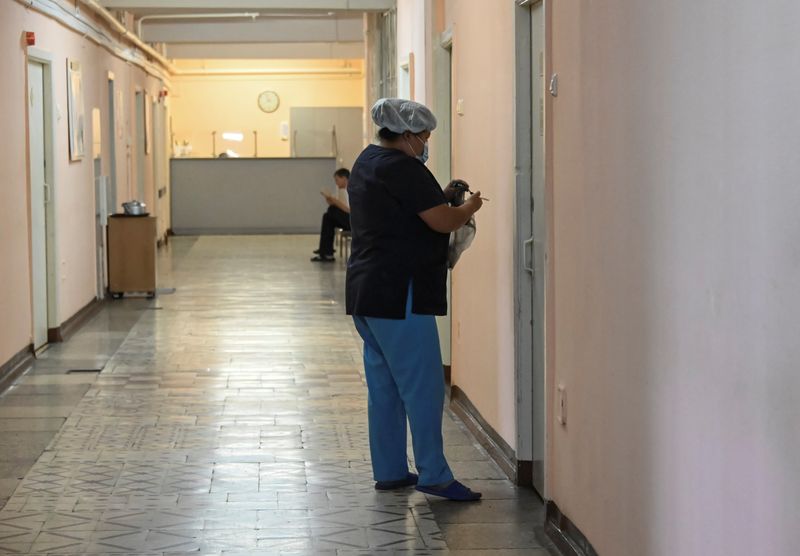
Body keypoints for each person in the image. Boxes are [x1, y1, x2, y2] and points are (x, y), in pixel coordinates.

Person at [346, 98, 484, 501]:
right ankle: (435, 475)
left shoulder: (367, 160)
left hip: (368, 292)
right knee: (423, 387)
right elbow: (441, 220)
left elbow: (402, 211)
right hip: (399, 294)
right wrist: (469, 206)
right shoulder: (404, 167)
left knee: (385, 385)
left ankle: (389, 470)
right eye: (423, 135)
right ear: (406, 135)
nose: (426, 142)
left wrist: (439, 197)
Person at [311, 168, 351, 262]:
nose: (336, 183)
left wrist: (333, 201)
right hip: (347, 219)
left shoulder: (350, 190)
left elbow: (348, 210)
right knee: (328, 216)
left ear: (344, 178)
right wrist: (330, 199)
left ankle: (326, 252)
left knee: (329, 214)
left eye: (337, 180)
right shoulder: (342, 191)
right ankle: (326, 252)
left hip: (352, 221)